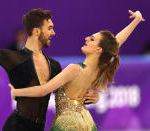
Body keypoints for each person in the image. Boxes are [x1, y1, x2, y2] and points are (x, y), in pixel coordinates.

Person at [9, 10, 145, 131]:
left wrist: (16, 92)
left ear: (98, 50)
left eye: (92, 39)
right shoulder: (99, 68)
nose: (86, 39)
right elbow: (116, 42)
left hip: (69, 124)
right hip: (85, 121)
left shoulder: (74, 69)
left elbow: (43, 90)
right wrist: (136, 20)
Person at [0, 8, 99, 131]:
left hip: (39, 128)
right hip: (16, 126)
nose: (53, 33)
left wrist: (91, 98)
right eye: (50, 28)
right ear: (36, 31)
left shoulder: (54, 65)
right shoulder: (14, 58)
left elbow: (66, 96)